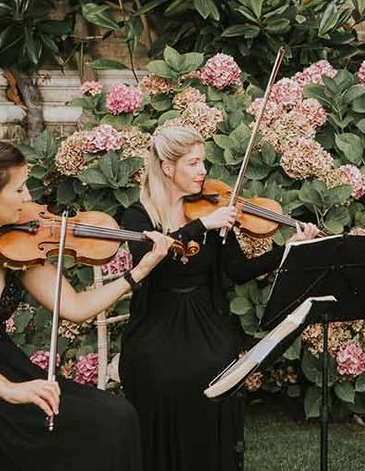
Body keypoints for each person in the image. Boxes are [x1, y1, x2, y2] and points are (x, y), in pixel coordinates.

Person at [0, 138, 174, 471]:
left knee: (116, 416)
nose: (29, 198)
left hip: (8, 365)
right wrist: (9, 390)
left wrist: (138, 272)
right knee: (86, 432)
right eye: (19, 190)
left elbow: (75, 306)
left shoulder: (14, 246)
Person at [118, 123, 319, 471]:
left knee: (217, 365)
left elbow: (238, 271)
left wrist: (289, 249)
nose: (203, 171)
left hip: (206, 317)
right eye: (193, 163)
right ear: (168, 168)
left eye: (203, 162)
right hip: (157, 322)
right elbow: (149, 265)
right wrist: (202, 226)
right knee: (163, 374)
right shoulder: (139, 215)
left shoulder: (211, 210)